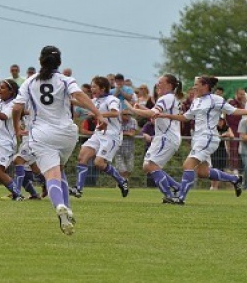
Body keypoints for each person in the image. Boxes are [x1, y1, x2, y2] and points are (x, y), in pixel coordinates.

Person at [13, 46, 106, 235]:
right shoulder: (65, 80)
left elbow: (17, 108)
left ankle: (60, 207)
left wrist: (16, 128)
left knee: (52, 175)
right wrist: (98, 114)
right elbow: (78, 95)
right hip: (66, 133)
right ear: (59, 62)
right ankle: (68, 209)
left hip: (41, 134)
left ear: (40, 60)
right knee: (60, 169)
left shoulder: (29, 82)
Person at [157, 76, 247, 205]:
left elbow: (233, 111)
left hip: (208, 137)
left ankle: (180, 198)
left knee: (188, 165)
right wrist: (166, 115)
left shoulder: (216, 99)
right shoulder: (196, 101)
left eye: (197, 84)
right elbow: (186, 117)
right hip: (198, 139)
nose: (194, 87)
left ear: (205, 85)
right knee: (202, 172)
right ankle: (235, 179)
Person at [125, 74, 183, 202]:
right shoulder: (169, 98)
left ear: (169, 85)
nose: (157, 85)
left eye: (160, 82)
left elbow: (153, 114)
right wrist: (141, 108)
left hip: (167, 137)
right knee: (147, 166)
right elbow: (154, 115)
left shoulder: (166, 98)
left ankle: (169, 195)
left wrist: (132, 109)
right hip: (164, 136)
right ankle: (177, 187)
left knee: (152, 166)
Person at [70, 76, 126, 199]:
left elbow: (115, 113)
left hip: (111, 135)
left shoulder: (112, 99)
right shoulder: (96, 100)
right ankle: (78, 189)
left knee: (99, 163)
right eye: (91, 86)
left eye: (94, 86)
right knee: (82, 156)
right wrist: (67, 98)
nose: (92, 88)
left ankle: (121, 181)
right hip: (98, 133)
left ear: (103, 88)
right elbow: (83, 103)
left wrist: (97, 114)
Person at [225, 88, 247, 173]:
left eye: (243, 94)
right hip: (234, 128)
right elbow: (229, 117)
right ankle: (234, 168)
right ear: (236, 94)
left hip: (243, 128)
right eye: (240, 94)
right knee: (233, 148)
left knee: (241, 148)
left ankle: (240, 168)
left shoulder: (243, 104)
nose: (242, 96)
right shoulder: (232, 103)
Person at [209, 117, 234, 191]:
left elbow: (232, 136)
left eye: (221, 120)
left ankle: (216, 186)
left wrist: (227, 134)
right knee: (214, 168)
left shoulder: (226, 127)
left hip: (223, 150)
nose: (220, 122)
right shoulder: (213, 127)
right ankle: (212, 186)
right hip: (214, 150)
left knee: (220, 169)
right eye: (218, 120)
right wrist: (222, 135)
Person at [114, 111, 138, 182]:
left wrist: (121, 133)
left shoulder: (133, 121)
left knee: (130, 169)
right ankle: (123, 183)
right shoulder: (116, 121)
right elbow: (115, 133)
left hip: (130, 149)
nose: (127, 116)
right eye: (125, 114)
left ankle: (124, 182)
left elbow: (132, 133)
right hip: (118, 149)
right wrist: (126, 133)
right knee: (121, 169)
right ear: (120, 115)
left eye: (129, 114)